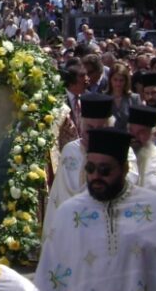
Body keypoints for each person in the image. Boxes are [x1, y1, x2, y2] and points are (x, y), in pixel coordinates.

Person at [36, 128, 156, 290]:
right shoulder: (69, 213)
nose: (96, 176)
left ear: (125, 169)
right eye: (90, 168)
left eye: (105, 170)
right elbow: (48, 274)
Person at [44, 93, 114, 231]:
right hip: (70, 228)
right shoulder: (70, 151)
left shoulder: (121, 153)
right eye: (90, 128)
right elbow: (58, 196)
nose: (94, 135)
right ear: (81, 126)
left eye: (99, 129)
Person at [105, 62, 139, 130]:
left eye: (121, 80)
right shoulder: (103, 98)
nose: (118, 83)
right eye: (115, 80)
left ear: (126, 81)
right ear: (110, 80)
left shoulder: (134, 98)